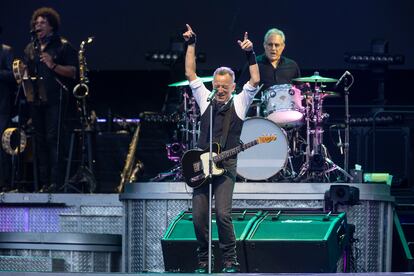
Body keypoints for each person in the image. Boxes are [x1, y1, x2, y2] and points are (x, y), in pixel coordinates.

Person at [183, 24, 260, 273]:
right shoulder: (206, 101)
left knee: (223, 215)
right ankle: (204, 260)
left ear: (233, 87)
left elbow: (255, 79)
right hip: (201, 166)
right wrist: (191, 44)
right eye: (217, 84)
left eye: (225, 85)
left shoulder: (239, 103)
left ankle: (229, 259)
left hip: (226, 167)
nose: (220, 88)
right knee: (198, 218)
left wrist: (250, 54)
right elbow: (191, 74)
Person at [24, 7, 77, 192]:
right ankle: (44, 182)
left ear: (52, 26)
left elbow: (72, 72)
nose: (38, 26)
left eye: (43, 23)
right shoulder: (31, 48)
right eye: (36, 23)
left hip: (57, 99)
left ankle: (56, 182)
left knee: (54, 139)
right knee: (39, 141)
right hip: (37, 100)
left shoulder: (63, 45)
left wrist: (52, 64)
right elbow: (28, 74)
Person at [0, 26, 15, 191]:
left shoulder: (5, 51)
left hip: (2, 107)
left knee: (2, 145)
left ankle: (3, 183)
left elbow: (13, 75)